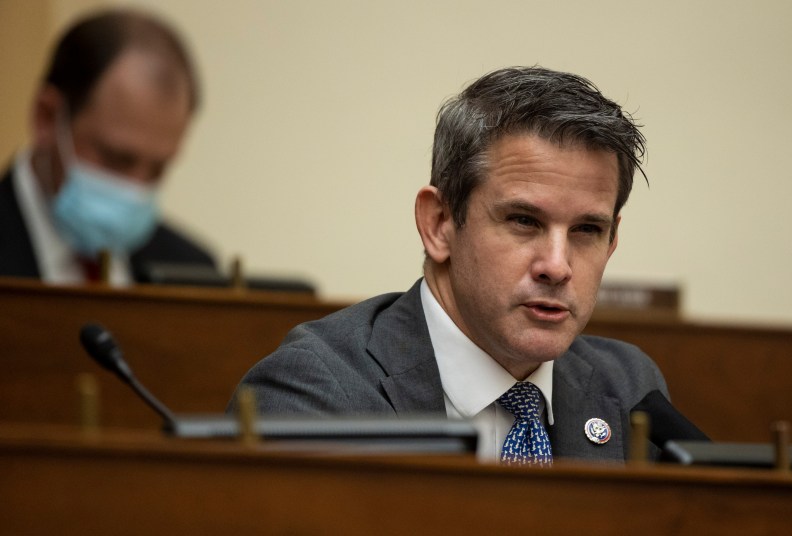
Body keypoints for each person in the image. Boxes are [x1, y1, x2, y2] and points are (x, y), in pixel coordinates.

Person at [230, 66, 674, 464]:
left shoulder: (629, 386)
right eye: (524, 221)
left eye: (586, 230)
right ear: (439, 224)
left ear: (612, 239)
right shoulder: (316, 391)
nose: (557, 267)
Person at [0, 8, 217, 285]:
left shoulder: (193, 272)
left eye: (158, 168)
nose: (135, 189)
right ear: (47, 118)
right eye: (117, 159)